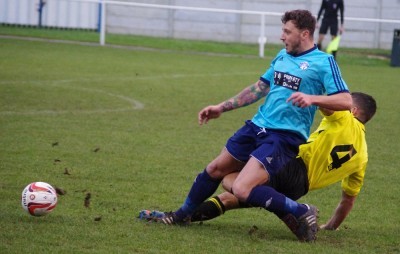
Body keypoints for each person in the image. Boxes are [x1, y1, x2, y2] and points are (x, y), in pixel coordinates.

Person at [142, 9, 351, 242]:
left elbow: (346, 100)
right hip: (256, 127)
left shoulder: (324, 62)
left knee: (241, 189)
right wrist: (221, 107)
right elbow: (259, 88)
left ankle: (301, 210)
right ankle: (179, 216)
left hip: (283, 137)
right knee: (215, 170)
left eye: (286, 31)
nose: (282, 36)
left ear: (304, 34)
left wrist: (314, 98)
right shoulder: (282, 56)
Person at [140, 92, 377, 237]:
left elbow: (328, 104)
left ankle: (296, 211)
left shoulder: (345, 117)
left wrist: (311, 94)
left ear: (353, 109)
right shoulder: (363, 157)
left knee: (229, 180)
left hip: (291, 165)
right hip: (299, 186)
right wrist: (331, 227)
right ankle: (180, 217)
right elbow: (348, 200)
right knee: (232, 198)